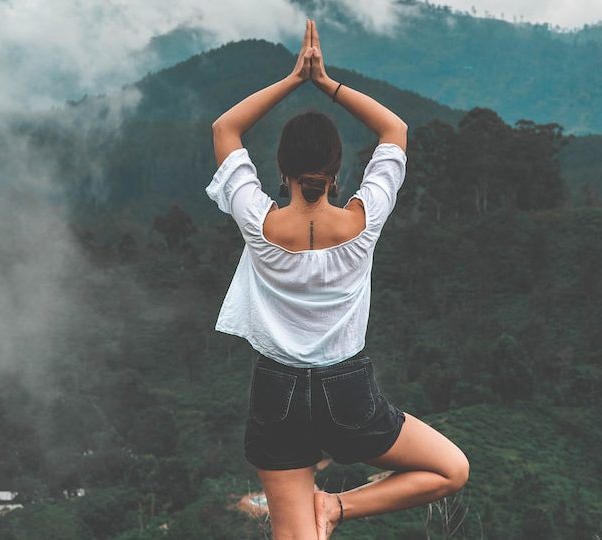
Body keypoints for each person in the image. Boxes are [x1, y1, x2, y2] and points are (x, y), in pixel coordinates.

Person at [207, 18, 470, 540]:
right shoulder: (363, 221)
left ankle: (322, 514)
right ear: (336, 171)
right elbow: (395, 130)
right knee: (450, 469)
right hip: (346, 392)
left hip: (276, 391)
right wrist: (327, 82)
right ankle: (337, 509)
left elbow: (224, 130)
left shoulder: (258, 223)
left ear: (280, 169)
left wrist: (292, 80)